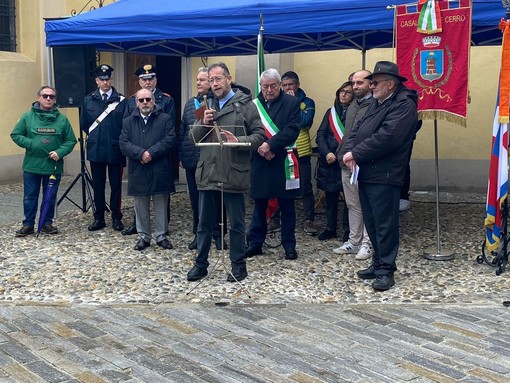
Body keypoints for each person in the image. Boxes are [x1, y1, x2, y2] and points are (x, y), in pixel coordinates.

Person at [343, 61, 418, 291]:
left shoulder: (404, 105)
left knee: (385, 225)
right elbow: (358, 129)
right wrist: (349, 150)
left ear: (390, 83)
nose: (371, 86)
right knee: (373, 223)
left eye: (375, 82)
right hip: (367, 172)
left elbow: (387, 138)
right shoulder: (379, 103)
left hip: (385, 174)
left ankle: (386, 270)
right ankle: (377, 264)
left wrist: (356, 152)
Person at [186, 62, 265, 282]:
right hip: (209, 172)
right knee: (204, 224)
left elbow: (259, 136)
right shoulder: (205, 105)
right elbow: (193, 138)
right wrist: (203, 122)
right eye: (211, 80)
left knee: (237, 224)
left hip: (233, 172)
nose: (214, 84)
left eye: (218, 79)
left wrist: (237, 140)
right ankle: (200, 265)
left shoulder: (246, 105)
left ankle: (238, 266)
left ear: (229, 79)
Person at [245, 68, 301, 260]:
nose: (269, 90)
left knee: (287, 206)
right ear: (260, 86)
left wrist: (270, 145)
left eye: (273, 86)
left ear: (279, 85)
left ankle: (289, 245)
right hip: (260, 160)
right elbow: (249, 129)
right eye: (265, 86)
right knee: (259, 204)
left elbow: (292, 129)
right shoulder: (253, 105)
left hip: (283, 159)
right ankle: (255, 243)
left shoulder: (292, 103)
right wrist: (261, 147)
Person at [11, 86, 77, 236]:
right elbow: (16, 134)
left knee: (50, 196)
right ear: (38, 97)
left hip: (52, 166)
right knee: (29, 196)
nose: (48, 99)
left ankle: (47, 222)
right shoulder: (27, 117)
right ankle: (28, 224)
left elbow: (71, 140)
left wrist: (60, 152)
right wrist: (31, 144)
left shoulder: (62, 119)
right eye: (45, 96)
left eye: (52, 97)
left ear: (55, 100)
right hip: (32, 165)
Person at [122, 64, 176, 236]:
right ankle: (141, 232)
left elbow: (169, 132)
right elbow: (125, 135)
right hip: (138, 162)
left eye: (150, 78)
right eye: (144, 79)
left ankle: (162, 231)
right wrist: (140, 153)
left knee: (161, 199)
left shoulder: (166, 101)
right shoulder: (130, 102)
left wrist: (151, 152)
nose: (147, 82)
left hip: (159, 159)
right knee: (140, 200)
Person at [179, 67, 227, 251]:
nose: (198, 83)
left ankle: (219, 235)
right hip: (192, 158)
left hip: (212, 160)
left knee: (216, 199)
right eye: (197, 80)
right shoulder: (191, 103)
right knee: (195, 200)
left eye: (203, 80)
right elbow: (184, 130)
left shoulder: (219, 103)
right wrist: (181, 155)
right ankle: (198, 235)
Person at [80, 64, 126, 232]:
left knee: (116, 185)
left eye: (108, 79)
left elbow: (125, 125)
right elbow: (85, 124)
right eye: (102, 80)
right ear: (97, 81)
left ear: (111, 80)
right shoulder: (88, 99)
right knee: (98, 185)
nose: (105, 83)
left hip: (115, 148)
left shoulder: (121, 100)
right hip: (96, 148)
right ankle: (98, 217)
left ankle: (116, 217)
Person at [334, 69, 374, 261]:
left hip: (364, 161)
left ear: (370, 83)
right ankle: (354, 240)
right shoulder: (351, 106)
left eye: (360, 82)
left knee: (366, 204)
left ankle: (367, 243)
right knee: (352, 204)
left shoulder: (376, 105)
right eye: (354, 83)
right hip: (346, 161)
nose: (356, 86)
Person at [315, 81, 353, 241]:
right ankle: (330, 228)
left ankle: (347, 230)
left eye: (348, 92)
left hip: (346, 161)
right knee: (330, 197)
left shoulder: (356, 112)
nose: (343, 94)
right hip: (329, 162)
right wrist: (326, 152)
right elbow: (320, 134)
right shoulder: (330, 113)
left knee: (349, 200)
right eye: (341, 91)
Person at [280, 71, 317, 236]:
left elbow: (304, 121)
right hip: (283, 150)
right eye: (285, 85)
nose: (288, 88)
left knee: (306, 187)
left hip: (301, 151)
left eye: (291, 84)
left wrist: (292, 102)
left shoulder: (307, 102)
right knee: (281, 186)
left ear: (297, 85)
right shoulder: (278, 102)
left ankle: (309, 219)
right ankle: (276, 217)